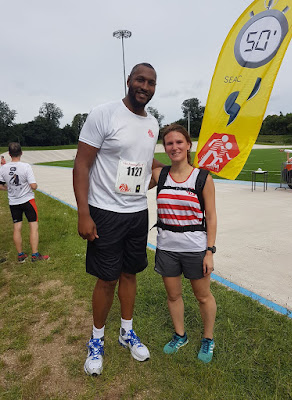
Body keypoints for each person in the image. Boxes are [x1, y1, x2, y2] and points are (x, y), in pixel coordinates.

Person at [73, 62, 164, 376]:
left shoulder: (153, 123)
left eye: (151, 82)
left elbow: (146, 161)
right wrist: (84, 213)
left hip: (137, 213)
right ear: (129, 80)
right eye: (140, 79)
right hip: (105, 212)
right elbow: (82, 164)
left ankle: (126, 332)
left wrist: (170, 169)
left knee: (129, 274)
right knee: (107, 278)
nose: (145, 86)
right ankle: (96, 340)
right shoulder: (104, 114)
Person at [150, 124, 217, 363]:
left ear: (189, 145)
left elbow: (211, 216)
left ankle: (208, 338)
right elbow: (131, 179)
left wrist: (209, 251)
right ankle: (181, 335)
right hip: (167, 247)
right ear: (164, 148)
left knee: (203, 296)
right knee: (173, 296)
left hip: (195, 248)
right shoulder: (160, 175)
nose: (175, 147)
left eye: (179, 142)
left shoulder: (203, 177)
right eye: (169, 143)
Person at [0, 142, 49, 262]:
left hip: (13, 202)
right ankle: (35, 255)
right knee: (33, 226)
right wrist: (36, 185)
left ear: (9, 154)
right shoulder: (26, 166)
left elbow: (0, 185)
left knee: (17, 227)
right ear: (21, 153)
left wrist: (8, 189)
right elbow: (33, 186)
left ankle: (20, 255)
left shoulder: (3, 168)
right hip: (27, 200)